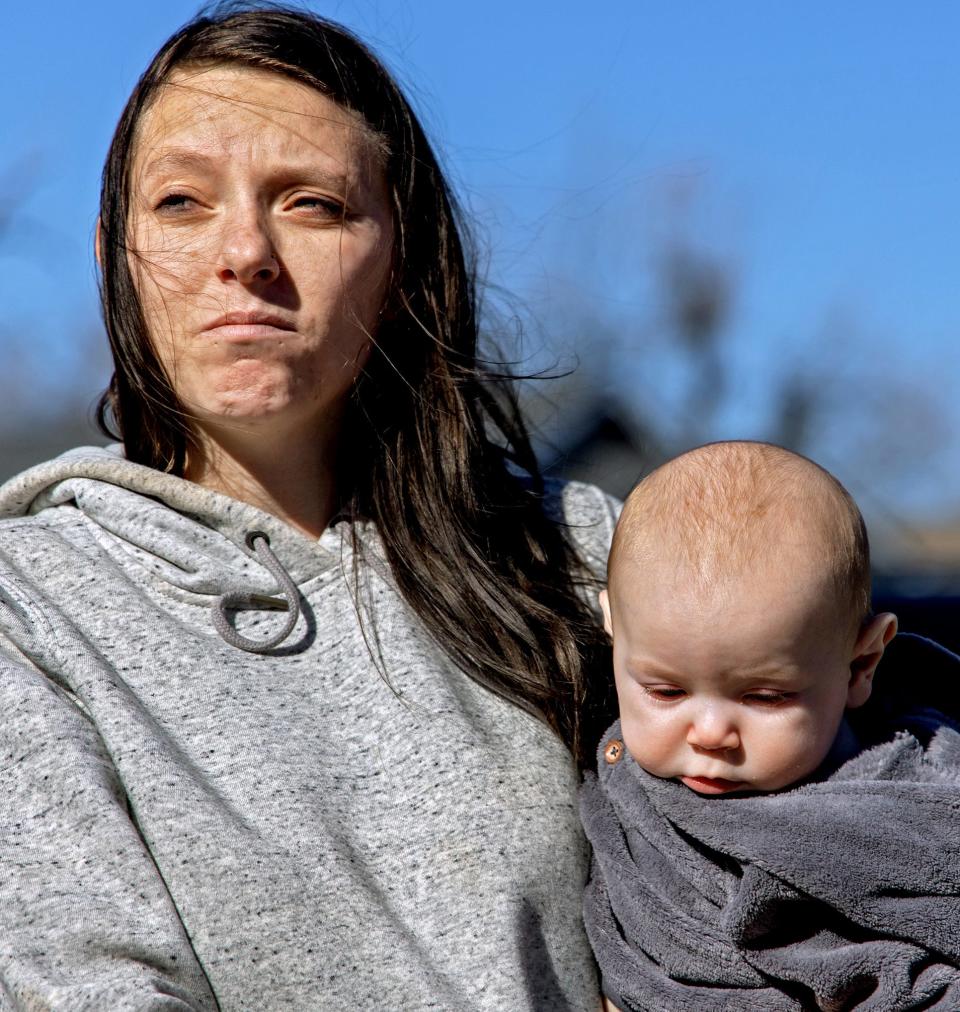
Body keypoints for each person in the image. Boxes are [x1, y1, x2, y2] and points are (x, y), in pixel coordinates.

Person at [0, 6, 619, 1007]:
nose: (244, 251)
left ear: (403, 260)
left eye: (312, 204)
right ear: (118, 255)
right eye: (183, 202)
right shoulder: (30, 611)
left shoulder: (583, 557)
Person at [581, 440, 960, 1011]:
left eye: (764, 697)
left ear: (861, 665)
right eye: (665, 691)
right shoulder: (615, 775)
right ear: (613, 634)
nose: (709, 733)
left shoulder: (899, 808)